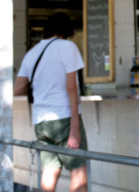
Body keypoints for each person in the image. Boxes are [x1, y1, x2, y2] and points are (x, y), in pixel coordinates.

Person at [14, 12, 88, 192]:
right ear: (67, 30)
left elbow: (18, 88)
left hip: (41, 122)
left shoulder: (32, 53)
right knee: (78, 174)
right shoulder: (68, 47)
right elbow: (72, 88)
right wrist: (74, 127)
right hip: (63, 117)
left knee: (49, 173)